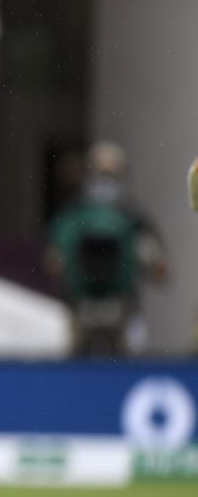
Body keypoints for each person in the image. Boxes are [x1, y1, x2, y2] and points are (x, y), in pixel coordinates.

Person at [45, 140, 168, 356]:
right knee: (75, 360)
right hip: (82, 308)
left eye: (111, 175)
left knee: (128, 355)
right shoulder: (73, 219)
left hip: (122, 309)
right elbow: (54, 262)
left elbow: (159, 268)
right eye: (100, 174)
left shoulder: (133, 219)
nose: (105, 183)